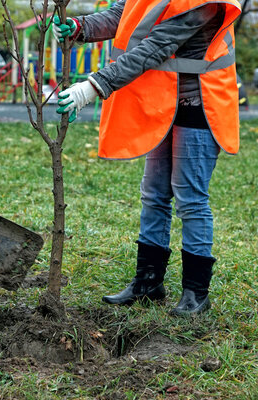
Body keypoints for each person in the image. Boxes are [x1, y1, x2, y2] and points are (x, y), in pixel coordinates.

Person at [53, 0, 241, 315]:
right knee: (153, 193)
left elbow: (157, 46)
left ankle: (196, 293)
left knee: (190, 198)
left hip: (201, 103)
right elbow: (121, 14)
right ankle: (148, 282)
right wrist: (81, 27)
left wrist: (93, 87)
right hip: (161, 101)